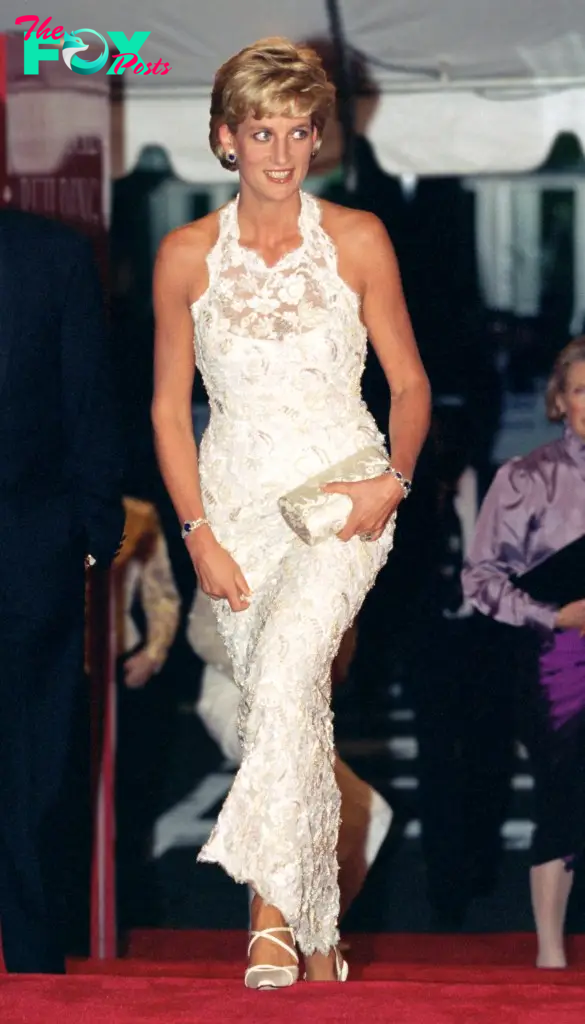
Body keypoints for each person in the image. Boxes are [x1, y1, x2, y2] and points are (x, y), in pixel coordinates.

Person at [151, 37, 430, 987]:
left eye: (298, 130)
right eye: (260, 131)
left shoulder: (356, 238)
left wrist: (390, 482)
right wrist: (197, 535)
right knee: (288, 704)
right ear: (225, 138)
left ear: (319, 138)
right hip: (232, 509)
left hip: (341, 494)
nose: (280, 152)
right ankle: (320, 940)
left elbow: (409, 384)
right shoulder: (185, 255)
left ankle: (266, 918)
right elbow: (165, 409)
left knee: (282, 675)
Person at [0, 209, 125, 973]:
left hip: (27, 546)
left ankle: (35, 959)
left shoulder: (52, 255)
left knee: (34, 764)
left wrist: (92, 533)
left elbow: (88, 394)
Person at [462, 336, 585, 969]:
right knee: (562, 790)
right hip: (557, 658)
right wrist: (552, 614)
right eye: (583, 390)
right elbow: (480, 578)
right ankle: (550, 952)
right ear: (559, 401)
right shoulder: (524, 477)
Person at [188, 588, 393, 922]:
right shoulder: (231, 537)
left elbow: (341, 648)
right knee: (277, 777)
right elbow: (202, 631)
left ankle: (312, 929)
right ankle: (271, 930)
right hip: (234, 691)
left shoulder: (331, 544)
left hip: (295, 704)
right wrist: (264, 667)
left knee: (369, 813)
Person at [112, 498, 180, 933]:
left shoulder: (137, 517)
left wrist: (153, 653)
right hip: (48, 671)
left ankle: (123, 918)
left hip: (120, 669)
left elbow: (162, 593)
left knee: (128, 804)